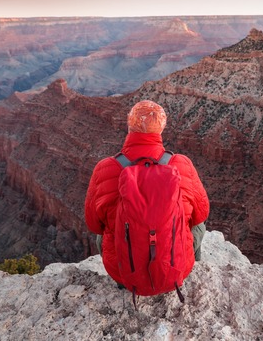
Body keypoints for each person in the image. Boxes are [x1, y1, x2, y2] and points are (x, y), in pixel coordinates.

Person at [84, 99, 209, 288]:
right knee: (198, 225)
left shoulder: (105, 168)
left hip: (124, 272)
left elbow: (94, 224)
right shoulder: (181, 164)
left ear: (129, 127)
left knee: (103, 233)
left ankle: (126, 277)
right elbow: (201, 213)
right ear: (161, 128)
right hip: (175, 267)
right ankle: (180, 273)